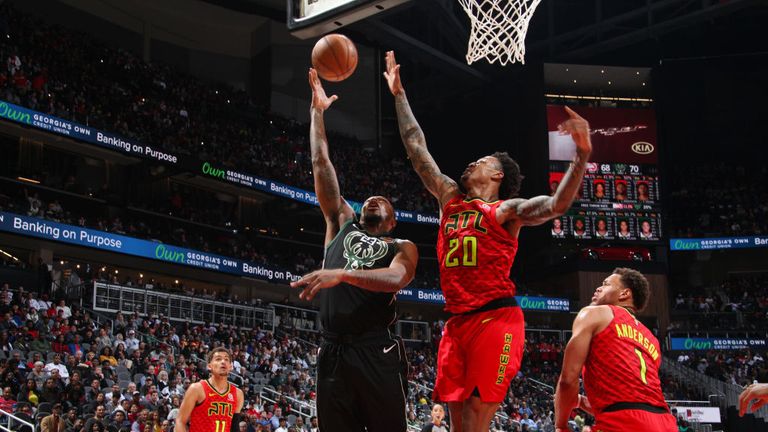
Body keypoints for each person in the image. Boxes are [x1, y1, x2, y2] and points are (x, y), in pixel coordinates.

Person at [385, 50, 591, 432]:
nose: (469, 164)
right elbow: (417, 149)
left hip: (495, 318)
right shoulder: (450, 198)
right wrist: (399, 95)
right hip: (456, 322)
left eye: (479, 161)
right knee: (456, 419)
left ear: (496, 173)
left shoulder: (505, 211)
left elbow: (556, 205)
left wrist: (581, 155)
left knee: (479, 414)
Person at [288, 69, 418, 432]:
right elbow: (320, 163)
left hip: (375, 350)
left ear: (392, 222)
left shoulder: (400, 246)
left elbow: (396, 278)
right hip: (333, 351)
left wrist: (342, 273)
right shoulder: (341, 222)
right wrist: (317, 113)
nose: (375, 197)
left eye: (385, 201)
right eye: (370, 198)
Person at [554, 268, 677, 432]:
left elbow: (568, 379)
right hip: (665, 423)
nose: (598, 288)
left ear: (624, 294)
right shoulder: (652, 340)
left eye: (605, 284)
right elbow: (634, 401)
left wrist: (560, 425)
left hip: (623, 423)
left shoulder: (595, 314)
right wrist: (581, 402)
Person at [174, 347, 244, 432]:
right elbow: (180, 421)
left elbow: (235, 427)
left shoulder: (238, 394)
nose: (223, 362)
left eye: (226, 359)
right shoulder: (196, 389)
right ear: (209, 366)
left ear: (231, 366)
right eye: (218, 359)